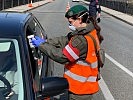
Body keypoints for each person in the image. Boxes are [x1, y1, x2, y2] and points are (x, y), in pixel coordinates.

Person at [30, 5, 101, 100]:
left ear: (79, 19)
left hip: (80, 90)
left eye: (71, 22)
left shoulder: (81, 40)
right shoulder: (89, 31)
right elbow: (64, 40)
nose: (70, 25)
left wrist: (42, 46)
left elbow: (62, 57)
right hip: (84, 86)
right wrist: (46, 42)